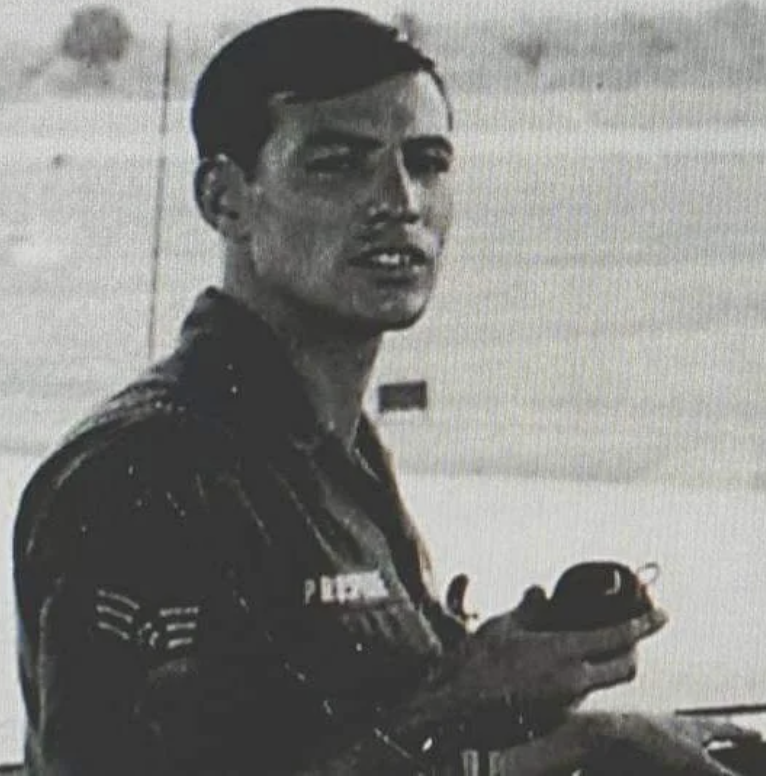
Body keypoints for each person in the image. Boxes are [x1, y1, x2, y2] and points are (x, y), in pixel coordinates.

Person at [12, 9, 756, 775]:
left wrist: (602, 738)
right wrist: (454, 701)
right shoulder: (144, 478)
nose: (400, 200)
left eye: (428, 162)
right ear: (225, 200)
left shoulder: (332, 448)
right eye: (339, 163)